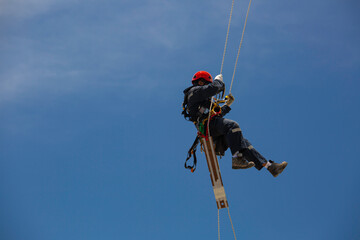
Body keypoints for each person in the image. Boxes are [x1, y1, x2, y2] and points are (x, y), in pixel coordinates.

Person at [182, 70, 287, 177]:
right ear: (200, 83)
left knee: (242, 142)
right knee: (232, 126)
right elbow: (213, 88)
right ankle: (237, 159)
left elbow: (215, 115)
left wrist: (227, 105)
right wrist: (218, 81)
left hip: (211, 126)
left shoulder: (202, 100)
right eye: (207, 84)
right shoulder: (194, 92)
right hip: (206, 127)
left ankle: (270, 167)